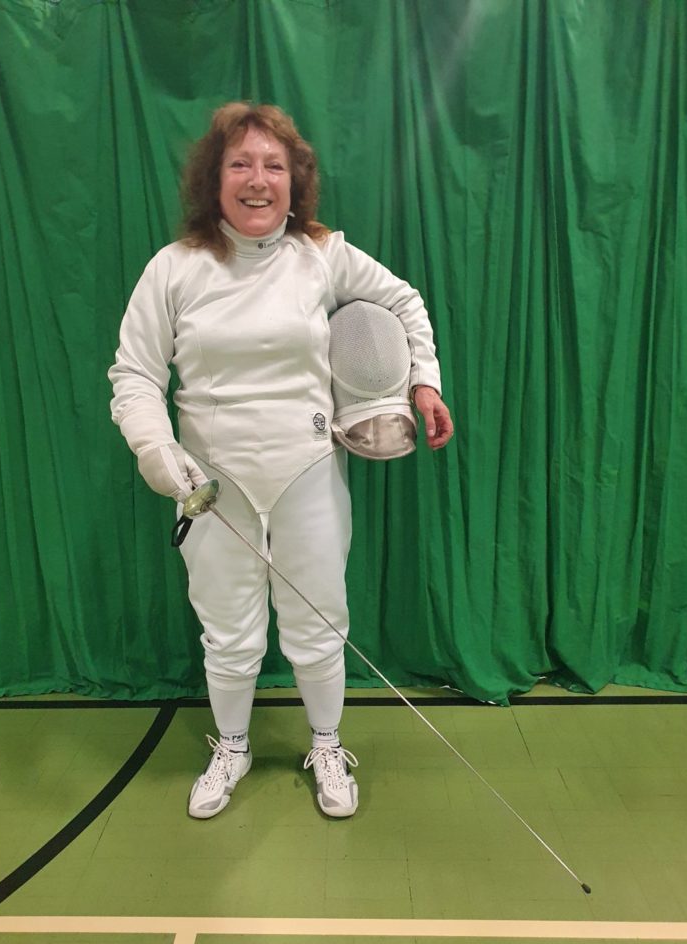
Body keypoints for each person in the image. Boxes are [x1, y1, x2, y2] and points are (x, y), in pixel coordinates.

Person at [108, 102, 453, 821]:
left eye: (274, 166)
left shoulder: (323, 255)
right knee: (228, 629)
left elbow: (405, 301)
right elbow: (135, 374)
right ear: (215, 180)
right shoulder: (174, 269)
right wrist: (154, 447)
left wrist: (424, 379)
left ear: (296, 182)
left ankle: (325, 743)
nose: (258, 180)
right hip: (212, 483)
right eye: (241, 165)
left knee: (319, 622)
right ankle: (231, 746)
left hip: (307, 471)